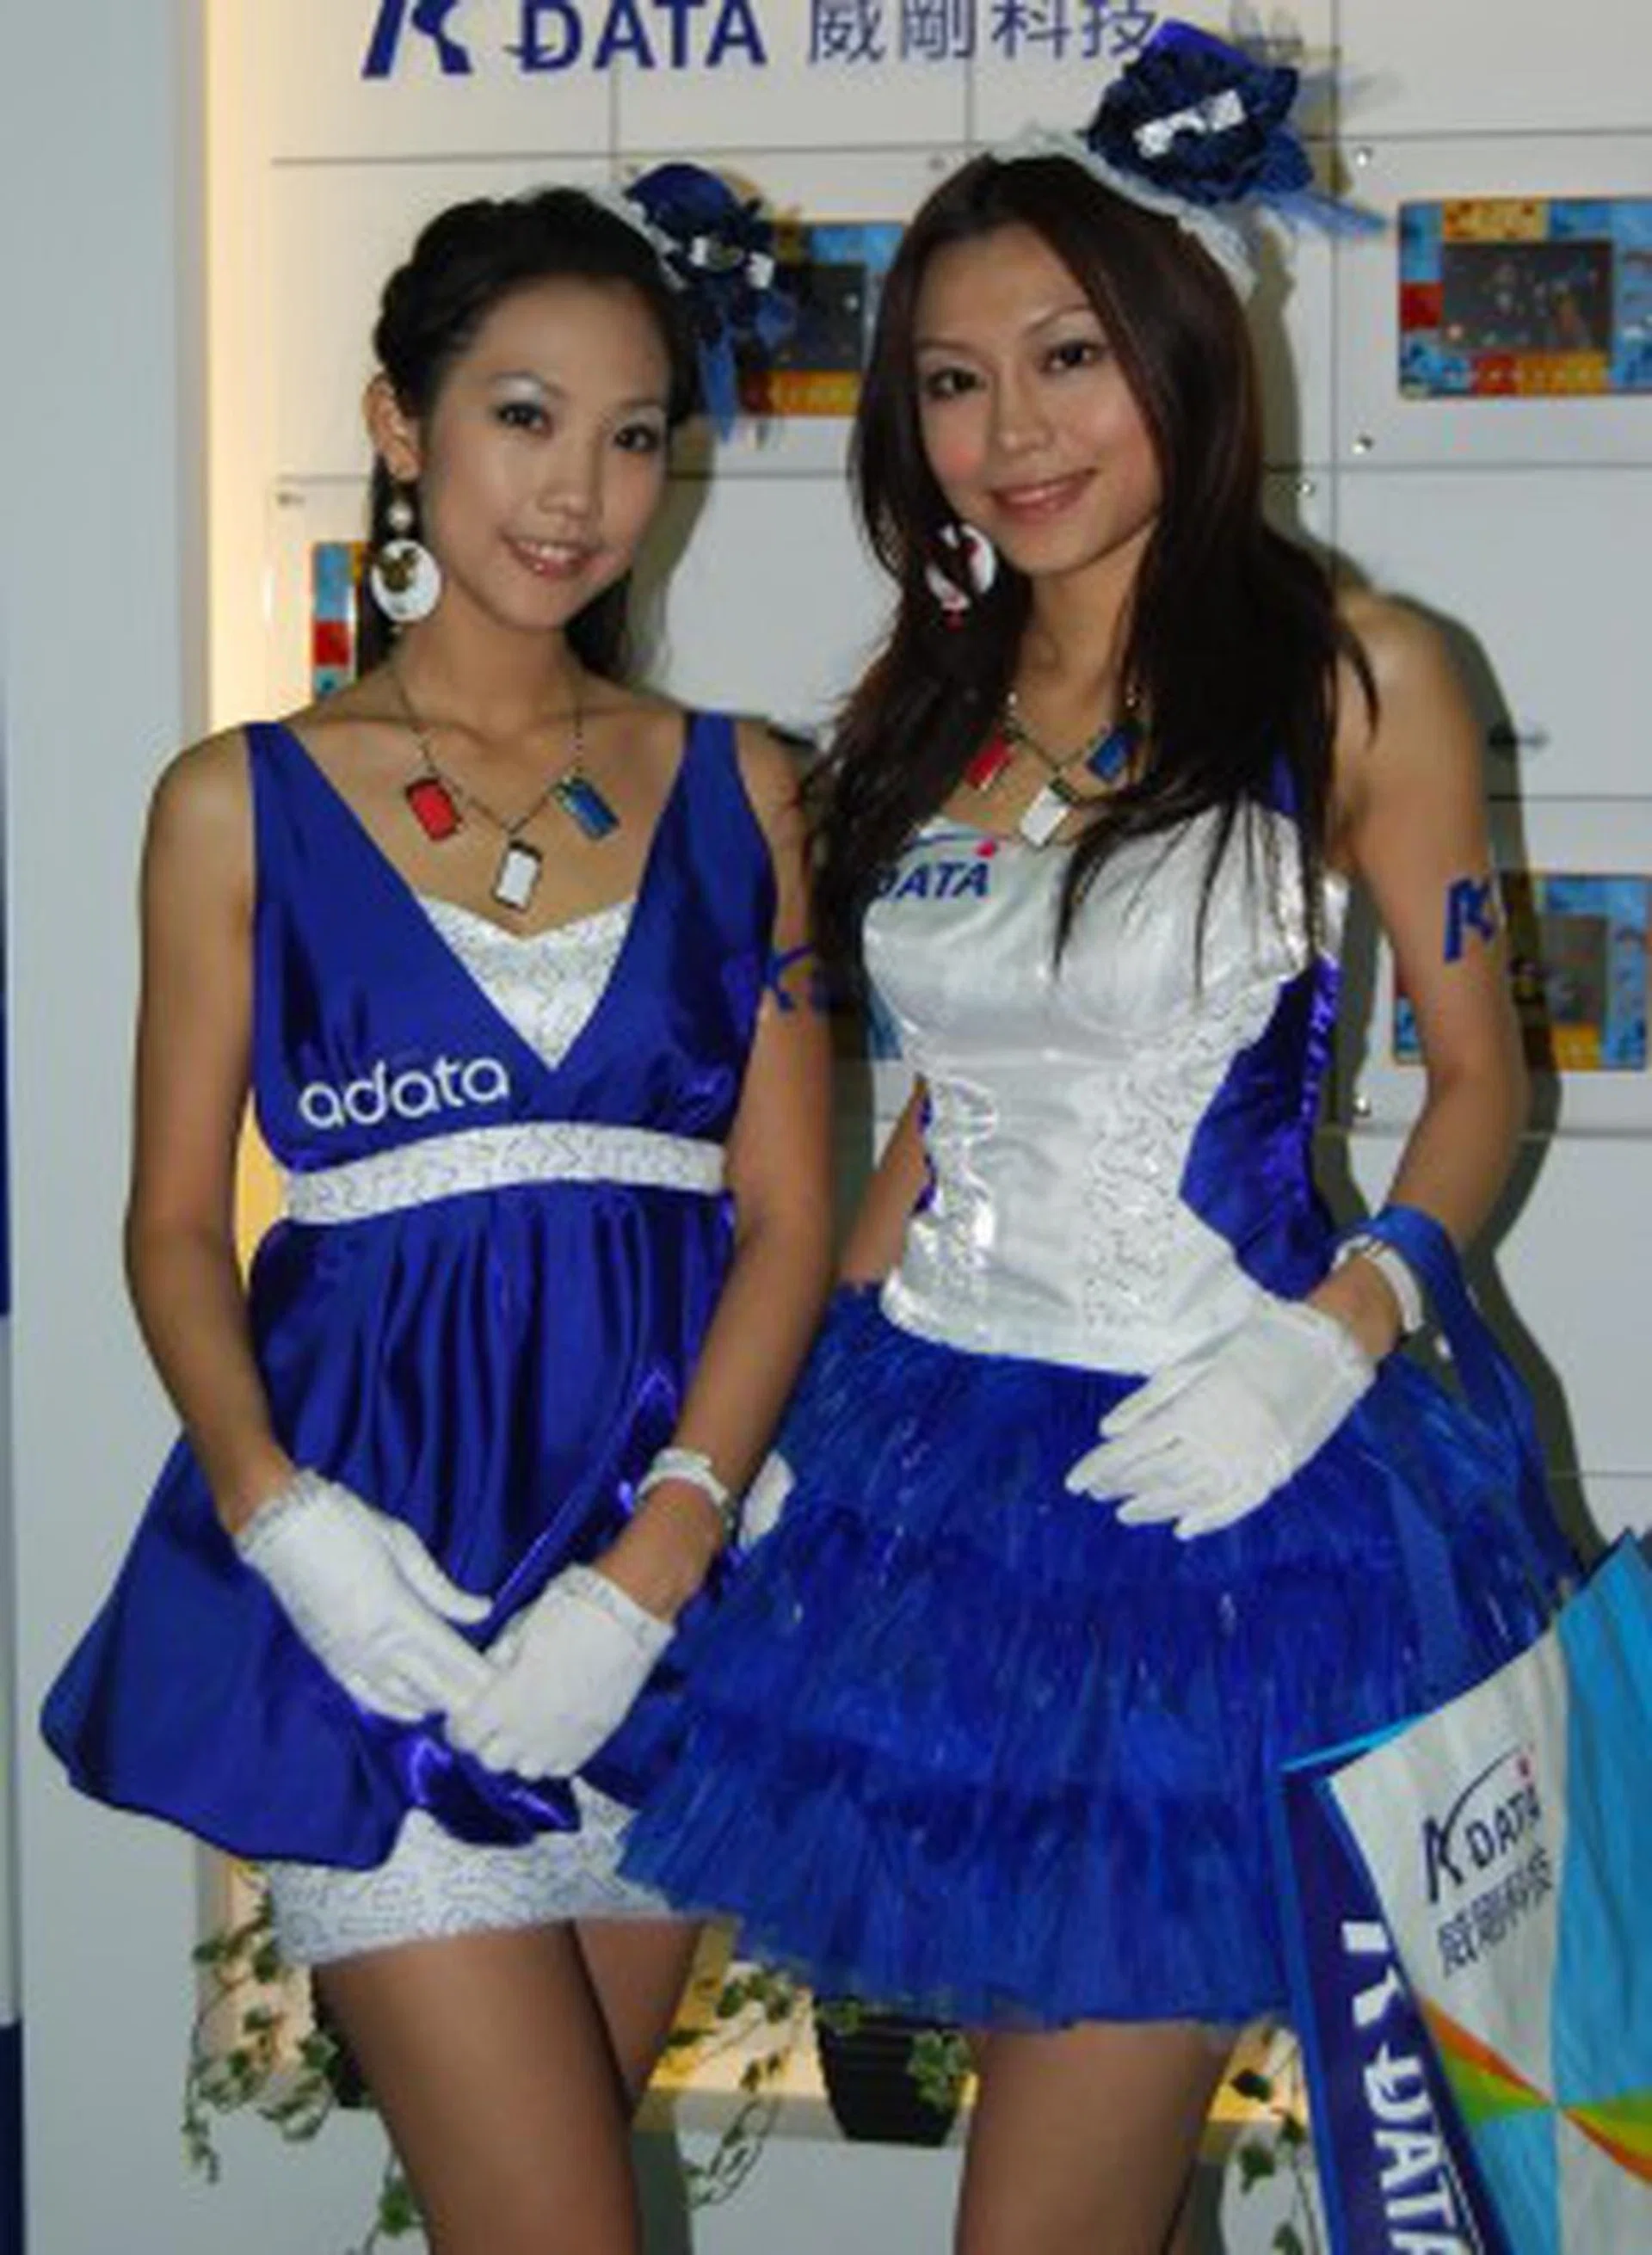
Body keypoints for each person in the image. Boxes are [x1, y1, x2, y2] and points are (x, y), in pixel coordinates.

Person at [620, 27, 1575, 2255]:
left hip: (1223, 1485)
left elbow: (1481, 1076)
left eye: (1067, 357)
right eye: (954, 382)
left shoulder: (1356, 672)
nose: (1013, 432)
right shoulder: (928, 701)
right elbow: (944, 1109)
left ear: (1184, 349)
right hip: (938, 1475)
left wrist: (1344, 1329)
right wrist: (798, 1426)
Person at [43, 172, 831, 2255]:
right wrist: (282, 1520)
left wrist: (657, 1567)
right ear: (400, 423)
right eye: (522, 414)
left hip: (661, 1584)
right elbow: (166, 1223)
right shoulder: (237, 799)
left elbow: (787, 1211)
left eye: (634, 433)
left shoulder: (743, 786)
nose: (579, 491)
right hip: (381, 1578)